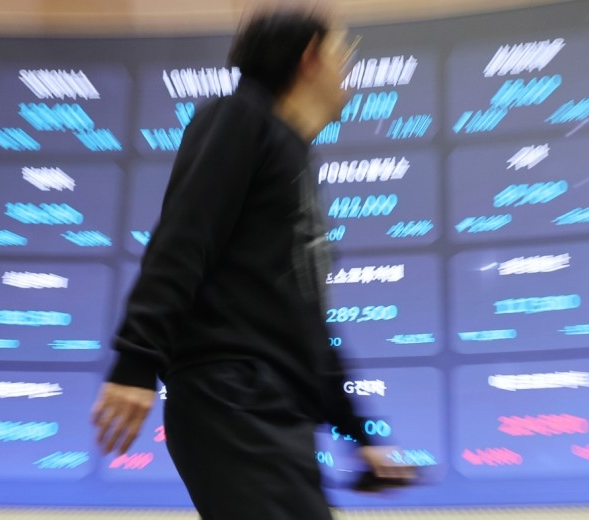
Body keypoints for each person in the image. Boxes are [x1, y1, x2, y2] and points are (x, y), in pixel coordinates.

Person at [92, 7, 414, 519]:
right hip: (229, 395)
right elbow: (184, 237)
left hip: (273, 410)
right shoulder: (238, 116)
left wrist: (359, 432)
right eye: (342, 51)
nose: (349, 67)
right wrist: (135, 362)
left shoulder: (293, 157)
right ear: (309, 57)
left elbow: (306, 320)